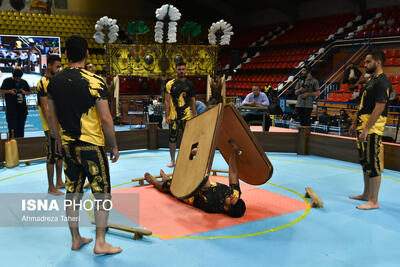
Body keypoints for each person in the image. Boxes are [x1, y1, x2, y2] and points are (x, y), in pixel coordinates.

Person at [46, 35, 121, 254]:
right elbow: (106, 119)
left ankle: (76, 238)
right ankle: (100, 242)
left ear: (66, 55)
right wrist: (113, 145)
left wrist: (58, 141)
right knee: (102, 194)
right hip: (91, 146)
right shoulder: (95, 81)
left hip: (68, 145)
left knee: (73, 193)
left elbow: (52, 117)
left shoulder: (54, 82)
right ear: (87, 53)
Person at [144, 140, 246, 217]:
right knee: (171, 181)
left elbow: (203, 180)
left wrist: (199, 156)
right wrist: (234, 152)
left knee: (167, 186)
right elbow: (233, 173)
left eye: (231, 199)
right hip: (203, 184)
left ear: (226, 208)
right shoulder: (235, 194)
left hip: (189, 193)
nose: (232, 196)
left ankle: (155, 181)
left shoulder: (212, 203)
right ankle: (166, 178)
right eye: (235, 197)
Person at [349, 49, 392, 210]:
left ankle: (374, 201)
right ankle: (366, 193)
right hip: (362, 128)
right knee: (365, 162)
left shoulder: (383, 82)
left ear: (378, 62)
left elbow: (380, 106)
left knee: (373, 164)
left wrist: (367, 129)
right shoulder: (371, 81)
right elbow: (363, 106)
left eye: (368, 61)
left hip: (372, 130)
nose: (365, 64)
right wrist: (355, 124)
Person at [37, 54, 65, 195]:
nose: (59, 69)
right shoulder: (42, 82)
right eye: (57, 66)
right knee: (51, 156)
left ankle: (59, 181)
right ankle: (51, 186)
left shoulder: (57, 81)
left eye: (60, 66)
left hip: (59, 125)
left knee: (60, 154)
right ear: (49, 65)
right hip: (50, 127)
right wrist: (52, 127)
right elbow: (45, 108)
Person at [165, 61, 197, 167]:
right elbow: (167, 101)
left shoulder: (190, 84)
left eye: (183, 69)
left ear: (186, 70)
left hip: (186, 116)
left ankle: (187, 158)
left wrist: (194, 114)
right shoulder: (170, 84)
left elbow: (193, 100)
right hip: (173, 116)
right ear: (176, 70)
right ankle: (172, 160)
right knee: (172, 138)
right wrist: (166, 115)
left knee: (188, 138)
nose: (181, 71)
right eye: (179, 69)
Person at [0, 68, 31, 137]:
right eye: (16, 78)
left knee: (21, 130)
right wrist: (9, 91)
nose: (18, 79)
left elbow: (29, 92)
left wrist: (23, 92)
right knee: (12, 130)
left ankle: (21, 145)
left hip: (22, 110)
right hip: (11, 110)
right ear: (13, 76)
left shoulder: (24, 82)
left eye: (19, 78)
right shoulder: (7, 81)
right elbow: (1, 91)